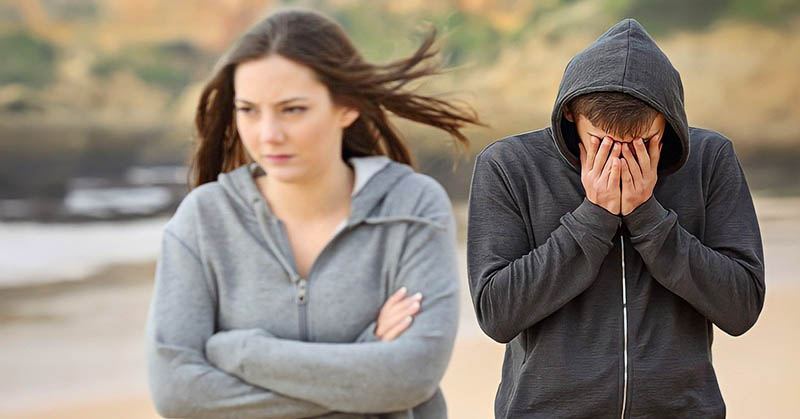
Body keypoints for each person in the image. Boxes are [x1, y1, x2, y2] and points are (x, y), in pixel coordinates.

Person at [146, 9, 481, 418]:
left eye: (292, 109)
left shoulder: (410, 207)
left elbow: (411, 376)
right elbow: (177, 394)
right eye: (249, 110)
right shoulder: (203, 219)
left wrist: (242, 352)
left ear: (347, 107)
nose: (268, 134)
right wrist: (365, 359)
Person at [467, 18, 764, 418]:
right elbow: (497, 314)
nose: (622, 157)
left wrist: (649, 218)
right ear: (571, 114)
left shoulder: (710, 161)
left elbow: (741, 308)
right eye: (603, 143)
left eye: (643, 143)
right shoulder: (509, 166)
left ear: (668, 121)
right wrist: (594, 216)